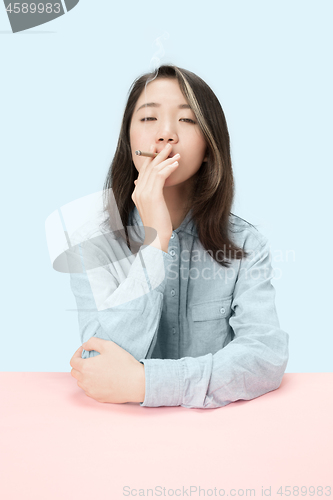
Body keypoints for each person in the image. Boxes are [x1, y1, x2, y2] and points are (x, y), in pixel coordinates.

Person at [69, 64, 289, 409]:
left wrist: (147, 383)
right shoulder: (94, 242)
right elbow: (99, 364)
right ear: (129, 139)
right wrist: (156, 241)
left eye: (187, 120)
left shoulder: (245, 245)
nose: (166, 135)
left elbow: (264, 357)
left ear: (209, 146)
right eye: (148, 119)